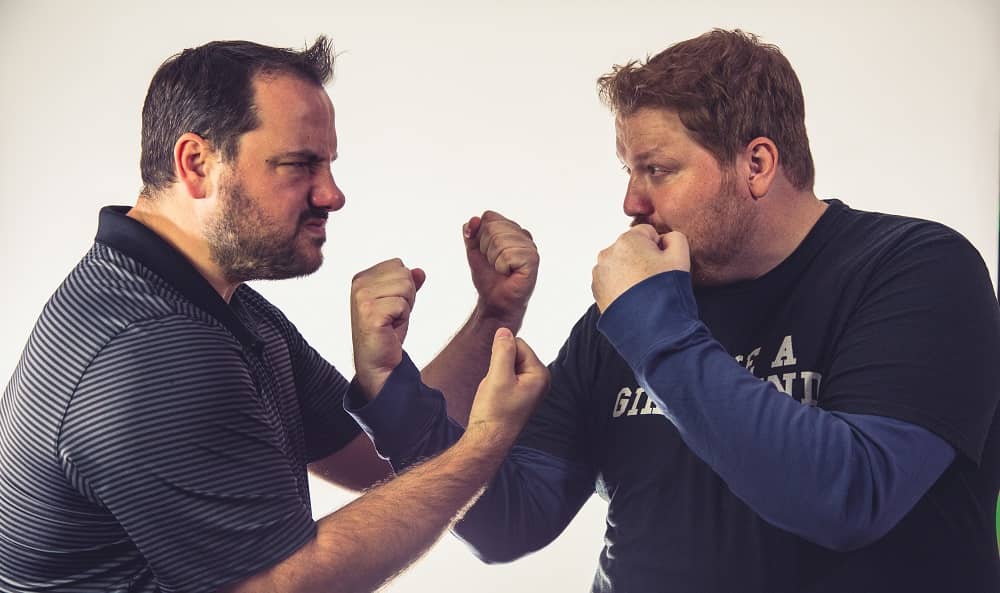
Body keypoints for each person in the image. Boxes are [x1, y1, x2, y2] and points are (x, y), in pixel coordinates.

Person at [347, 29, 1000, 592]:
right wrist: (393, 395)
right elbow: (512, 520)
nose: (632, 201)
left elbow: (850, 496)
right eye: (628, 170)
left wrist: (648, 319)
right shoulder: (628, 318)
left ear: (758, 163)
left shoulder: (915, 268)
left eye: (656, 169)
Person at [0, 37, 548, 593]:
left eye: (329, 164)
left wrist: (489, 316)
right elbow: (287, 586)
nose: (332, 195)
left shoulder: (211, 300)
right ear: (197, 164)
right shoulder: (154, 349)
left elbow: (377, 460)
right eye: (299, 165)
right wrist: (486, 441)